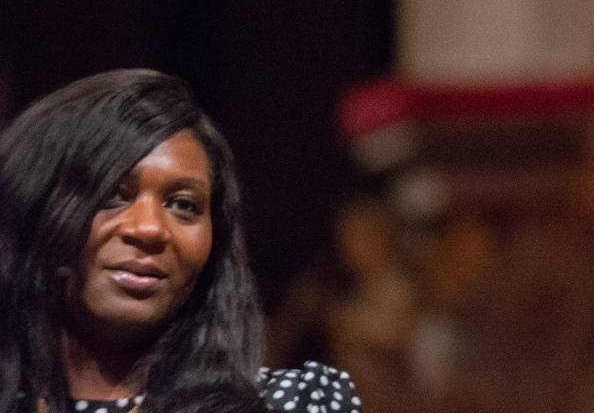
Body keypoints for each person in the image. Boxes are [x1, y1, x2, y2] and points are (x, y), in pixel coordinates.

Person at [0, 70, 360, 413]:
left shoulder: (288, 404)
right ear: (36, 210)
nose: (150, 229)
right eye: (112, 195)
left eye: (183, 205)